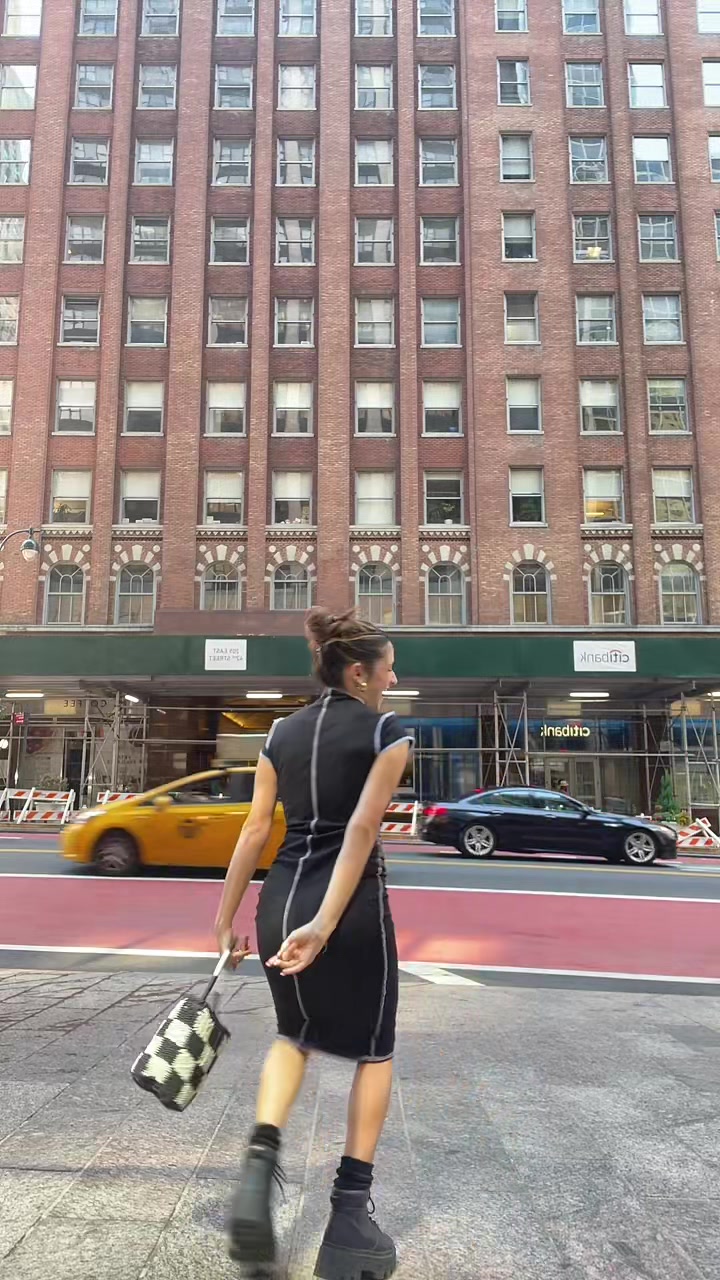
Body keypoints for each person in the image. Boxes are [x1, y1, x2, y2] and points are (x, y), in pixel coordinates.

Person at [215, 607, 413, 1280]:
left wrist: (224, 919)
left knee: (292, 1035)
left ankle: (257, 1171)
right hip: (349, 910)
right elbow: (361, 830)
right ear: (359, 672)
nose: (394, 678)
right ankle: (349, 1222)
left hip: (279, 900)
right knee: (375, 1049)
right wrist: (325, 926)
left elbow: (254, 830)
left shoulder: (279, 732)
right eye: (389, 668)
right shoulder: (387, 731)